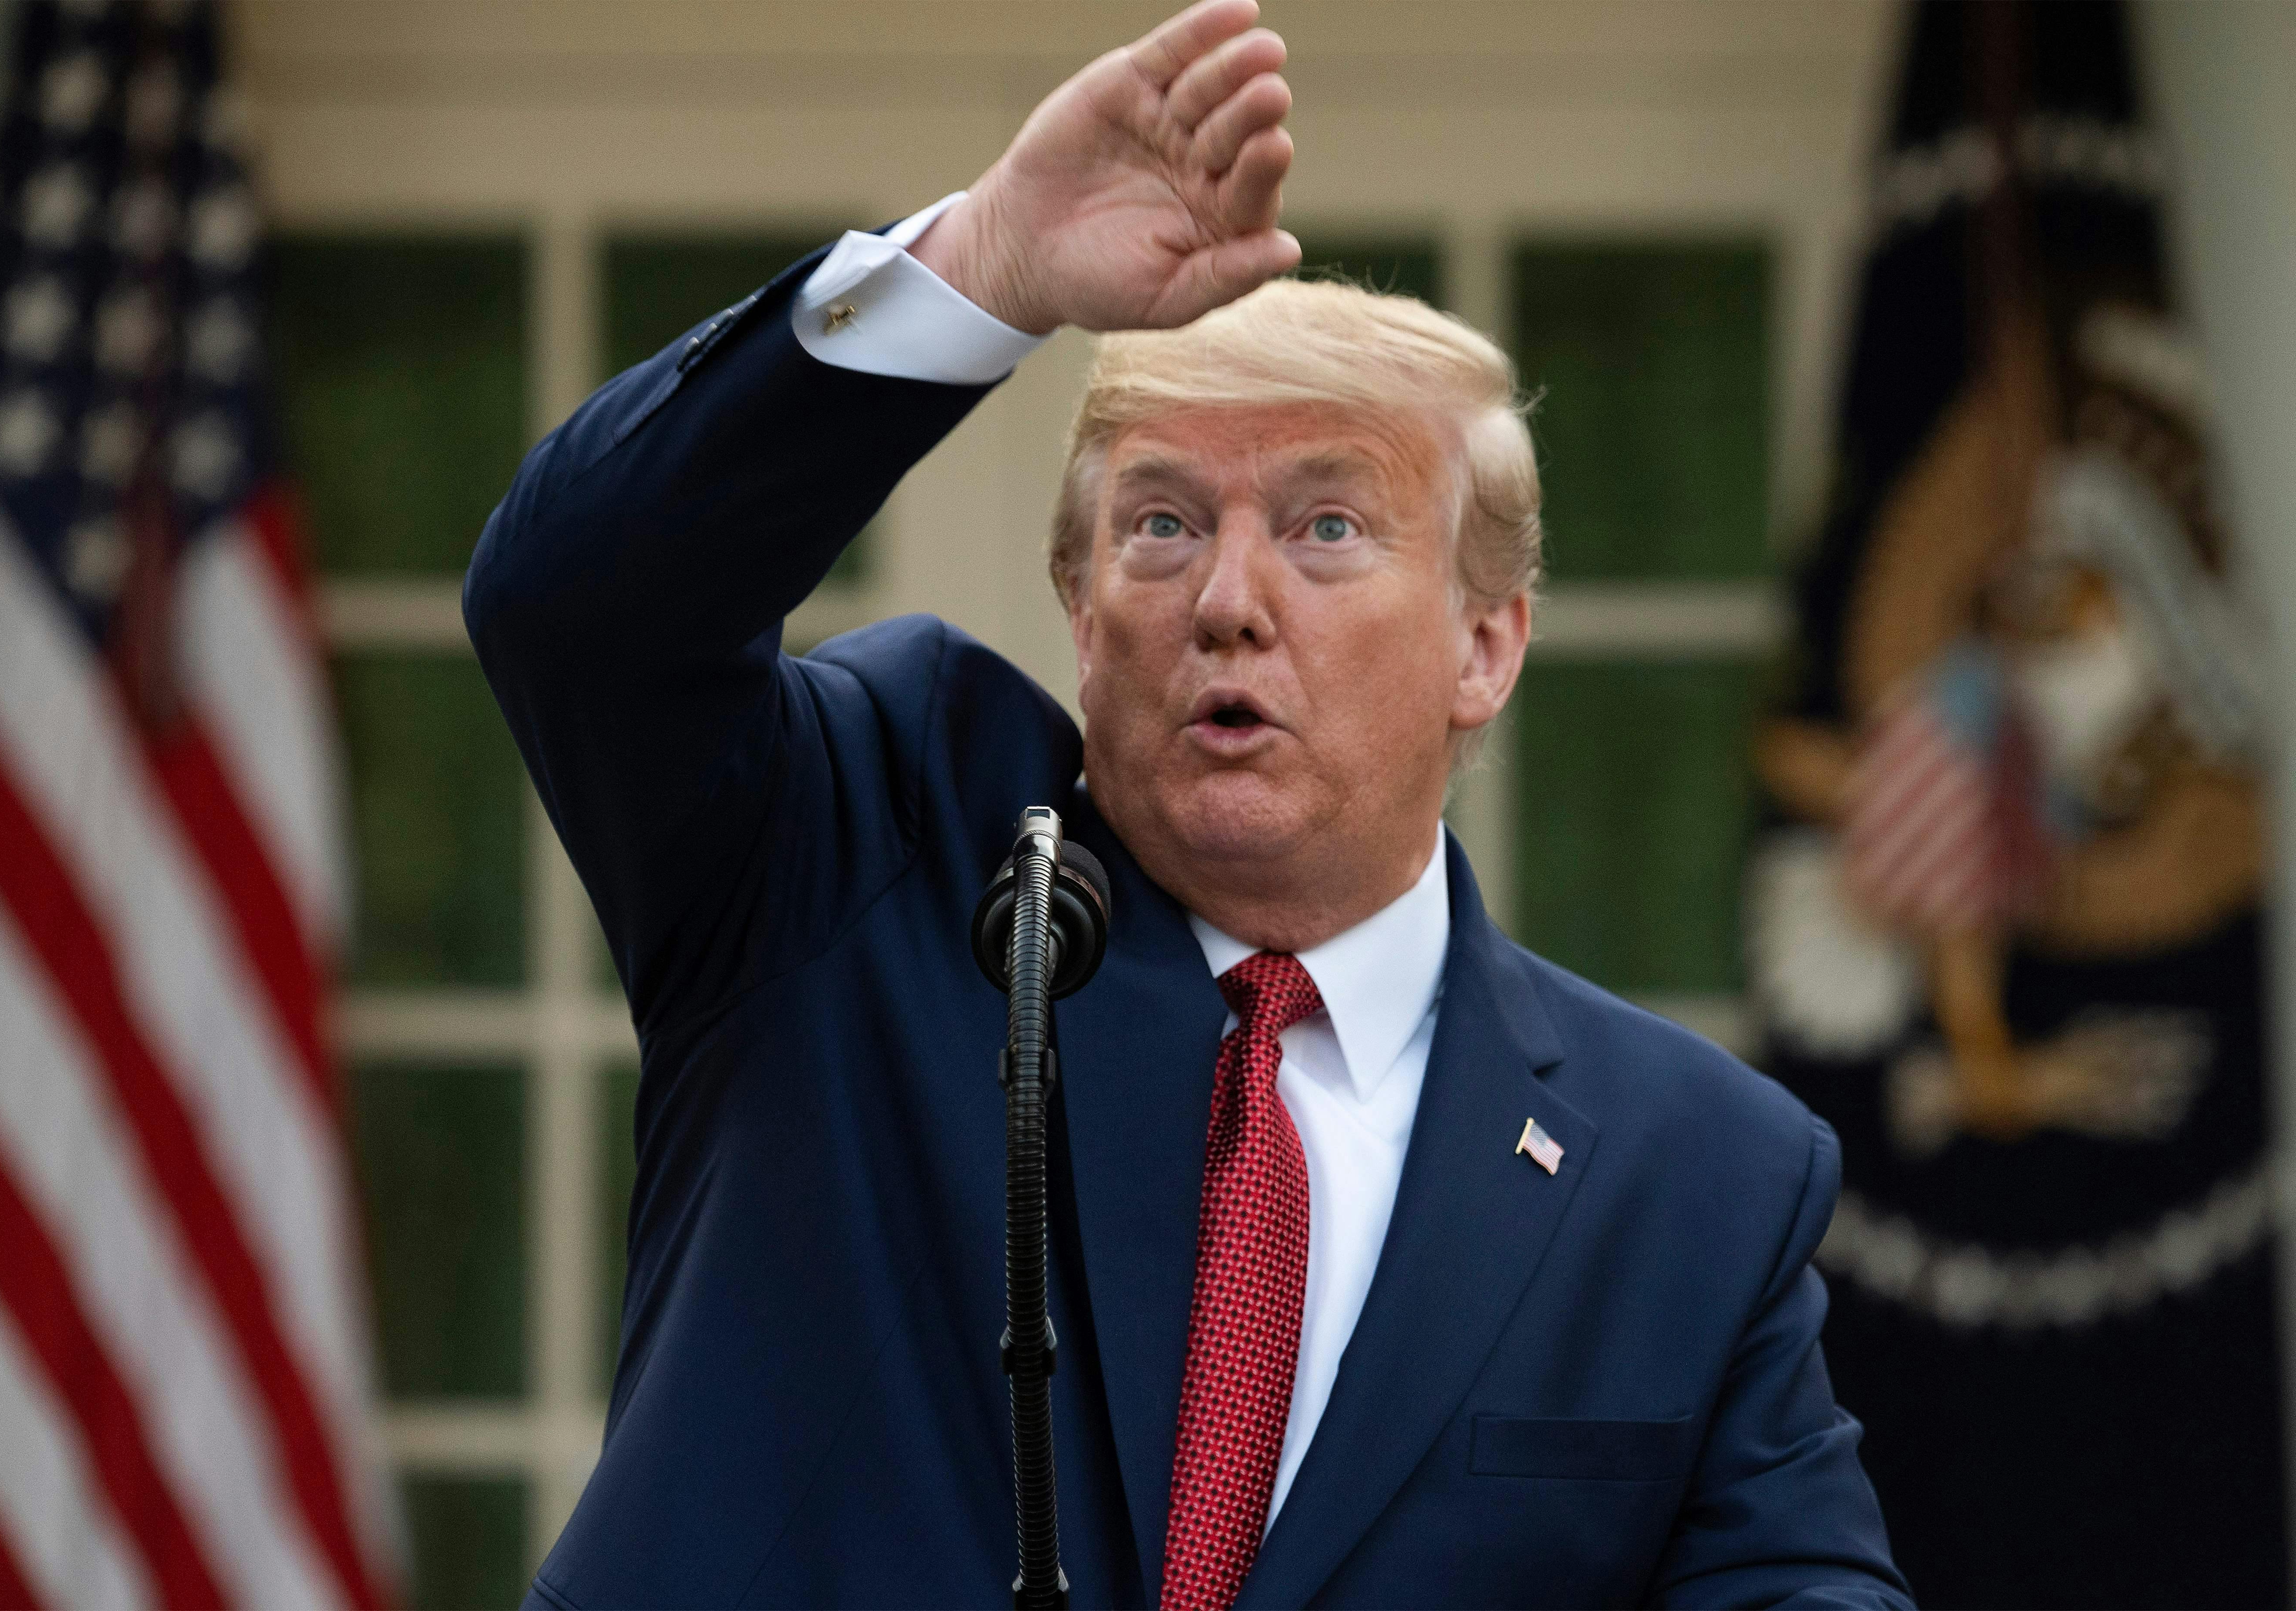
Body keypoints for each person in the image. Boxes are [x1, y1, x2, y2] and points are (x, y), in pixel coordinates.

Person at [464, 3, 1909, 1605]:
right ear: (1081, 612)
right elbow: (574, 605)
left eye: (1328, 527)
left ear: (1486, 644)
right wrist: (988, 264)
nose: (1228, 599)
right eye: (1159, 526)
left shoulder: (1693, 1175)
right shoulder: (863, 848)